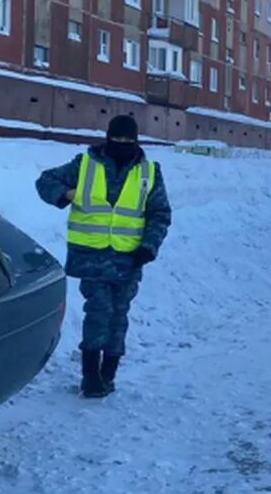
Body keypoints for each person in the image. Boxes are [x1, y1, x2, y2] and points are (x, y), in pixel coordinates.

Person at [36, 115, 171, 398]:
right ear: (108, 138)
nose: (122, 145)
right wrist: (65, 193)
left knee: (118, 316)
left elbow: (160, 213)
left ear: (136, 141)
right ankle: (90, 377)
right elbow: (45, 181)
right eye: (117, 139)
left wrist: (149, 246)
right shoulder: (85, 164)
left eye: (128, 141)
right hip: (91, 256)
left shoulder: (148, 172)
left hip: (130, 258)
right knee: (98, 312)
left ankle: (108, 374)